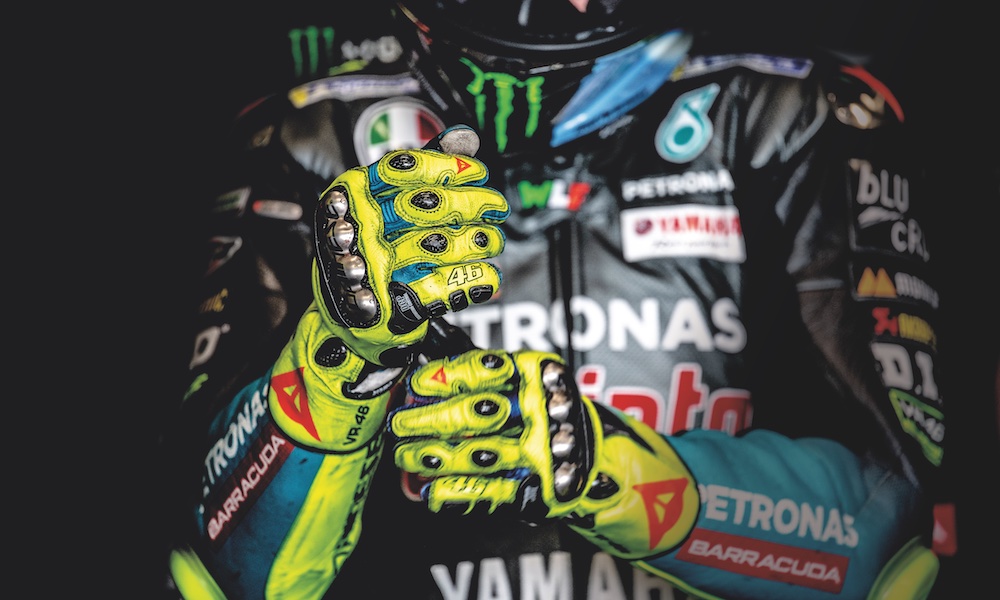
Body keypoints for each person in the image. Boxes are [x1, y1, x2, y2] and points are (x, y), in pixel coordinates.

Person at [157, 1, 953, 598]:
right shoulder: (304, 133)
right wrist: (340, 360)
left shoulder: (797, 107)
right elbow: (217, 565)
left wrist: (606, 469)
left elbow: (893, 532)